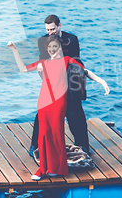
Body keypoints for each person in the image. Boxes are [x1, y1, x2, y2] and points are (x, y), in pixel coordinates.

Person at [7, 35, 109, 180]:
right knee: (43, 135)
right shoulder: (43, 63)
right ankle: (42, 169)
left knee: (56, 134)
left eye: (54, 46)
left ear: (59, 47)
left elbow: (85, 72)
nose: (52, 50)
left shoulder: (68, 61)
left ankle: (56, 168)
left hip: (58, 104)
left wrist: (102, 81)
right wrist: (14, 50)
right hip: (43, 103)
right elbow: (23, 69)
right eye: (49, 48)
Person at [30, 15, 91, 155]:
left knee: (76, 113)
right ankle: (35, 145)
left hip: (70, 81)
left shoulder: (72, 39)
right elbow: (43, 61)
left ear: (59, 26)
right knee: (42, 114)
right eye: (48, 30)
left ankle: (83, 145)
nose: (50, 32)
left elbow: (77, 61)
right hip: (53, 81)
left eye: (53, 29)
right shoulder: (43, 40)